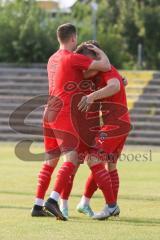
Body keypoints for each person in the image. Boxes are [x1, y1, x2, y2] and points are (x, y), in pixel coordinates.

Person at [31, 23, 110, 220]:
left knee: (50, 161)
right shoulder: (73, 57)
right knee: (72, 159)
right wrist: (98, 50)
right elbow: (106, 66)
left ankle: (37, 205)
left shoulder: (52, 59)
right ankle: (53, 200)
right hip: (63, 113)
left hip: (49, 111)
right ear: (73, 39)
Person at [75, 41, 131, 220]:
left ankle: (110, 206)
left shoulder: (107, 71)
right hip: (118, 124)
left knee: (93, 159)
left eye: (87, 65)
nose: (84, 70)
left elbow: (114, 86)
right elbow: (119, 83)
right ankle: (88, 202)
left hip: (115, 125)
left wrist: (91, 96)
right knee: (110, 166)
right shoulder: (97, 75)